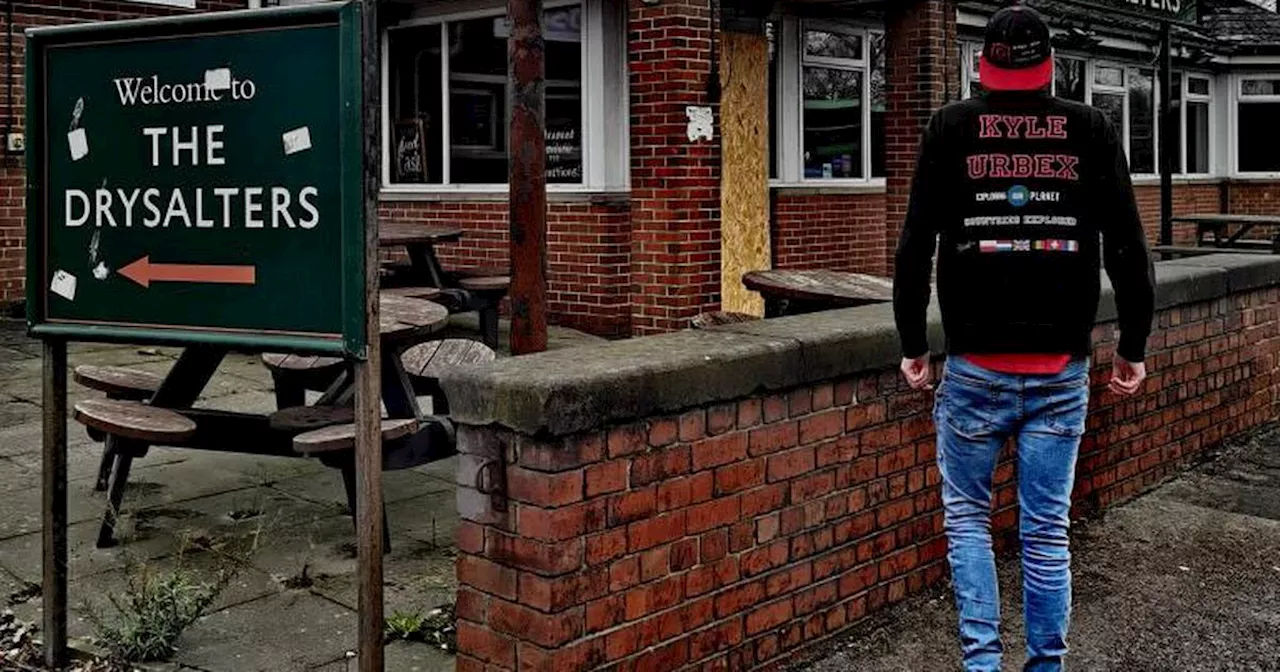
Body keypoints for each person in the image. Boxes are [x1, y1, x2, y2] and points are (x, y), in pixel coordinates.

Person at [891, 5, 1155, 672]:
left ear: (983, 66)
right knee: (1044, 536)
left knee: (969, 522)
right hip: (1059, 369)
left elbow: (915, 242)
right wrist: (1133, 345)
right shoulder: (1090, 128)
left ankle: (982, 665)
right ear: (1049, 68)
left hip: (976, 366)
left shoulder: (951, 127)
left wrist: (911, 342)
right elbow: (1127, 246)